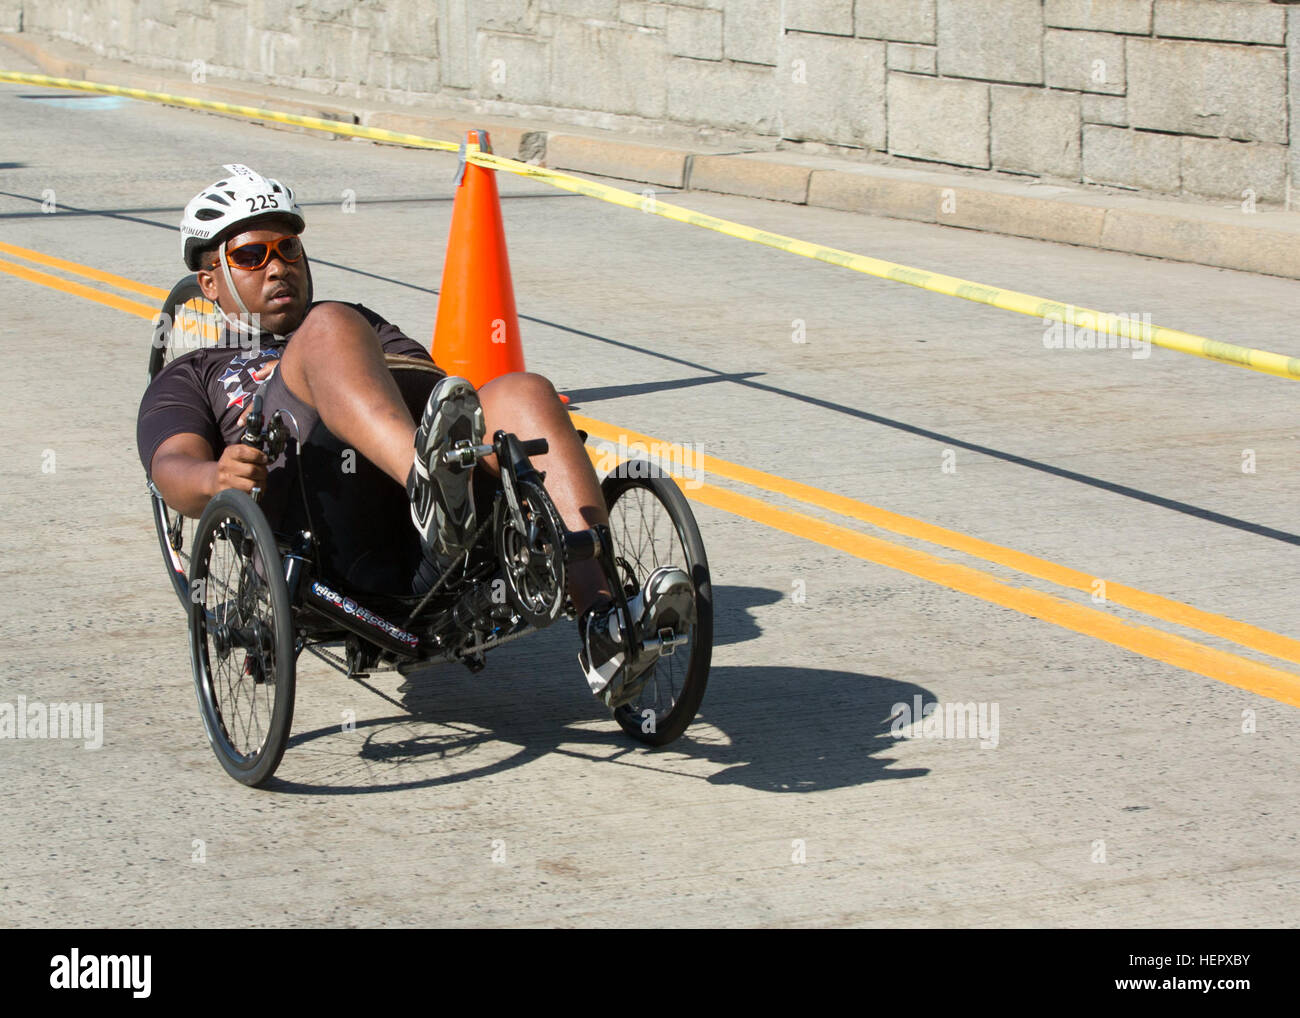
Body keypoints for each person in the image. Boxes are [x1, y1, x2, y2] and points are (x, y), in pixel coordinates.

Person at [137, 164, 692, 707]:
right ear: (209, 281)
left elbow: (439, 395)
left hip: (438, 532)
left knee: (521, 389)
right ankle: (425, 484)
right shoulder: (195, 374)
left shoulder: (357, 323)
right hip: (322, 538)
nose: (277, 267)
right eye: (252, 256)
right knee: (326, 325)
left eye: (288, 250)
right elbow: (171, 469)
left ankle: (605, 621)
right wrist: (216, 476)